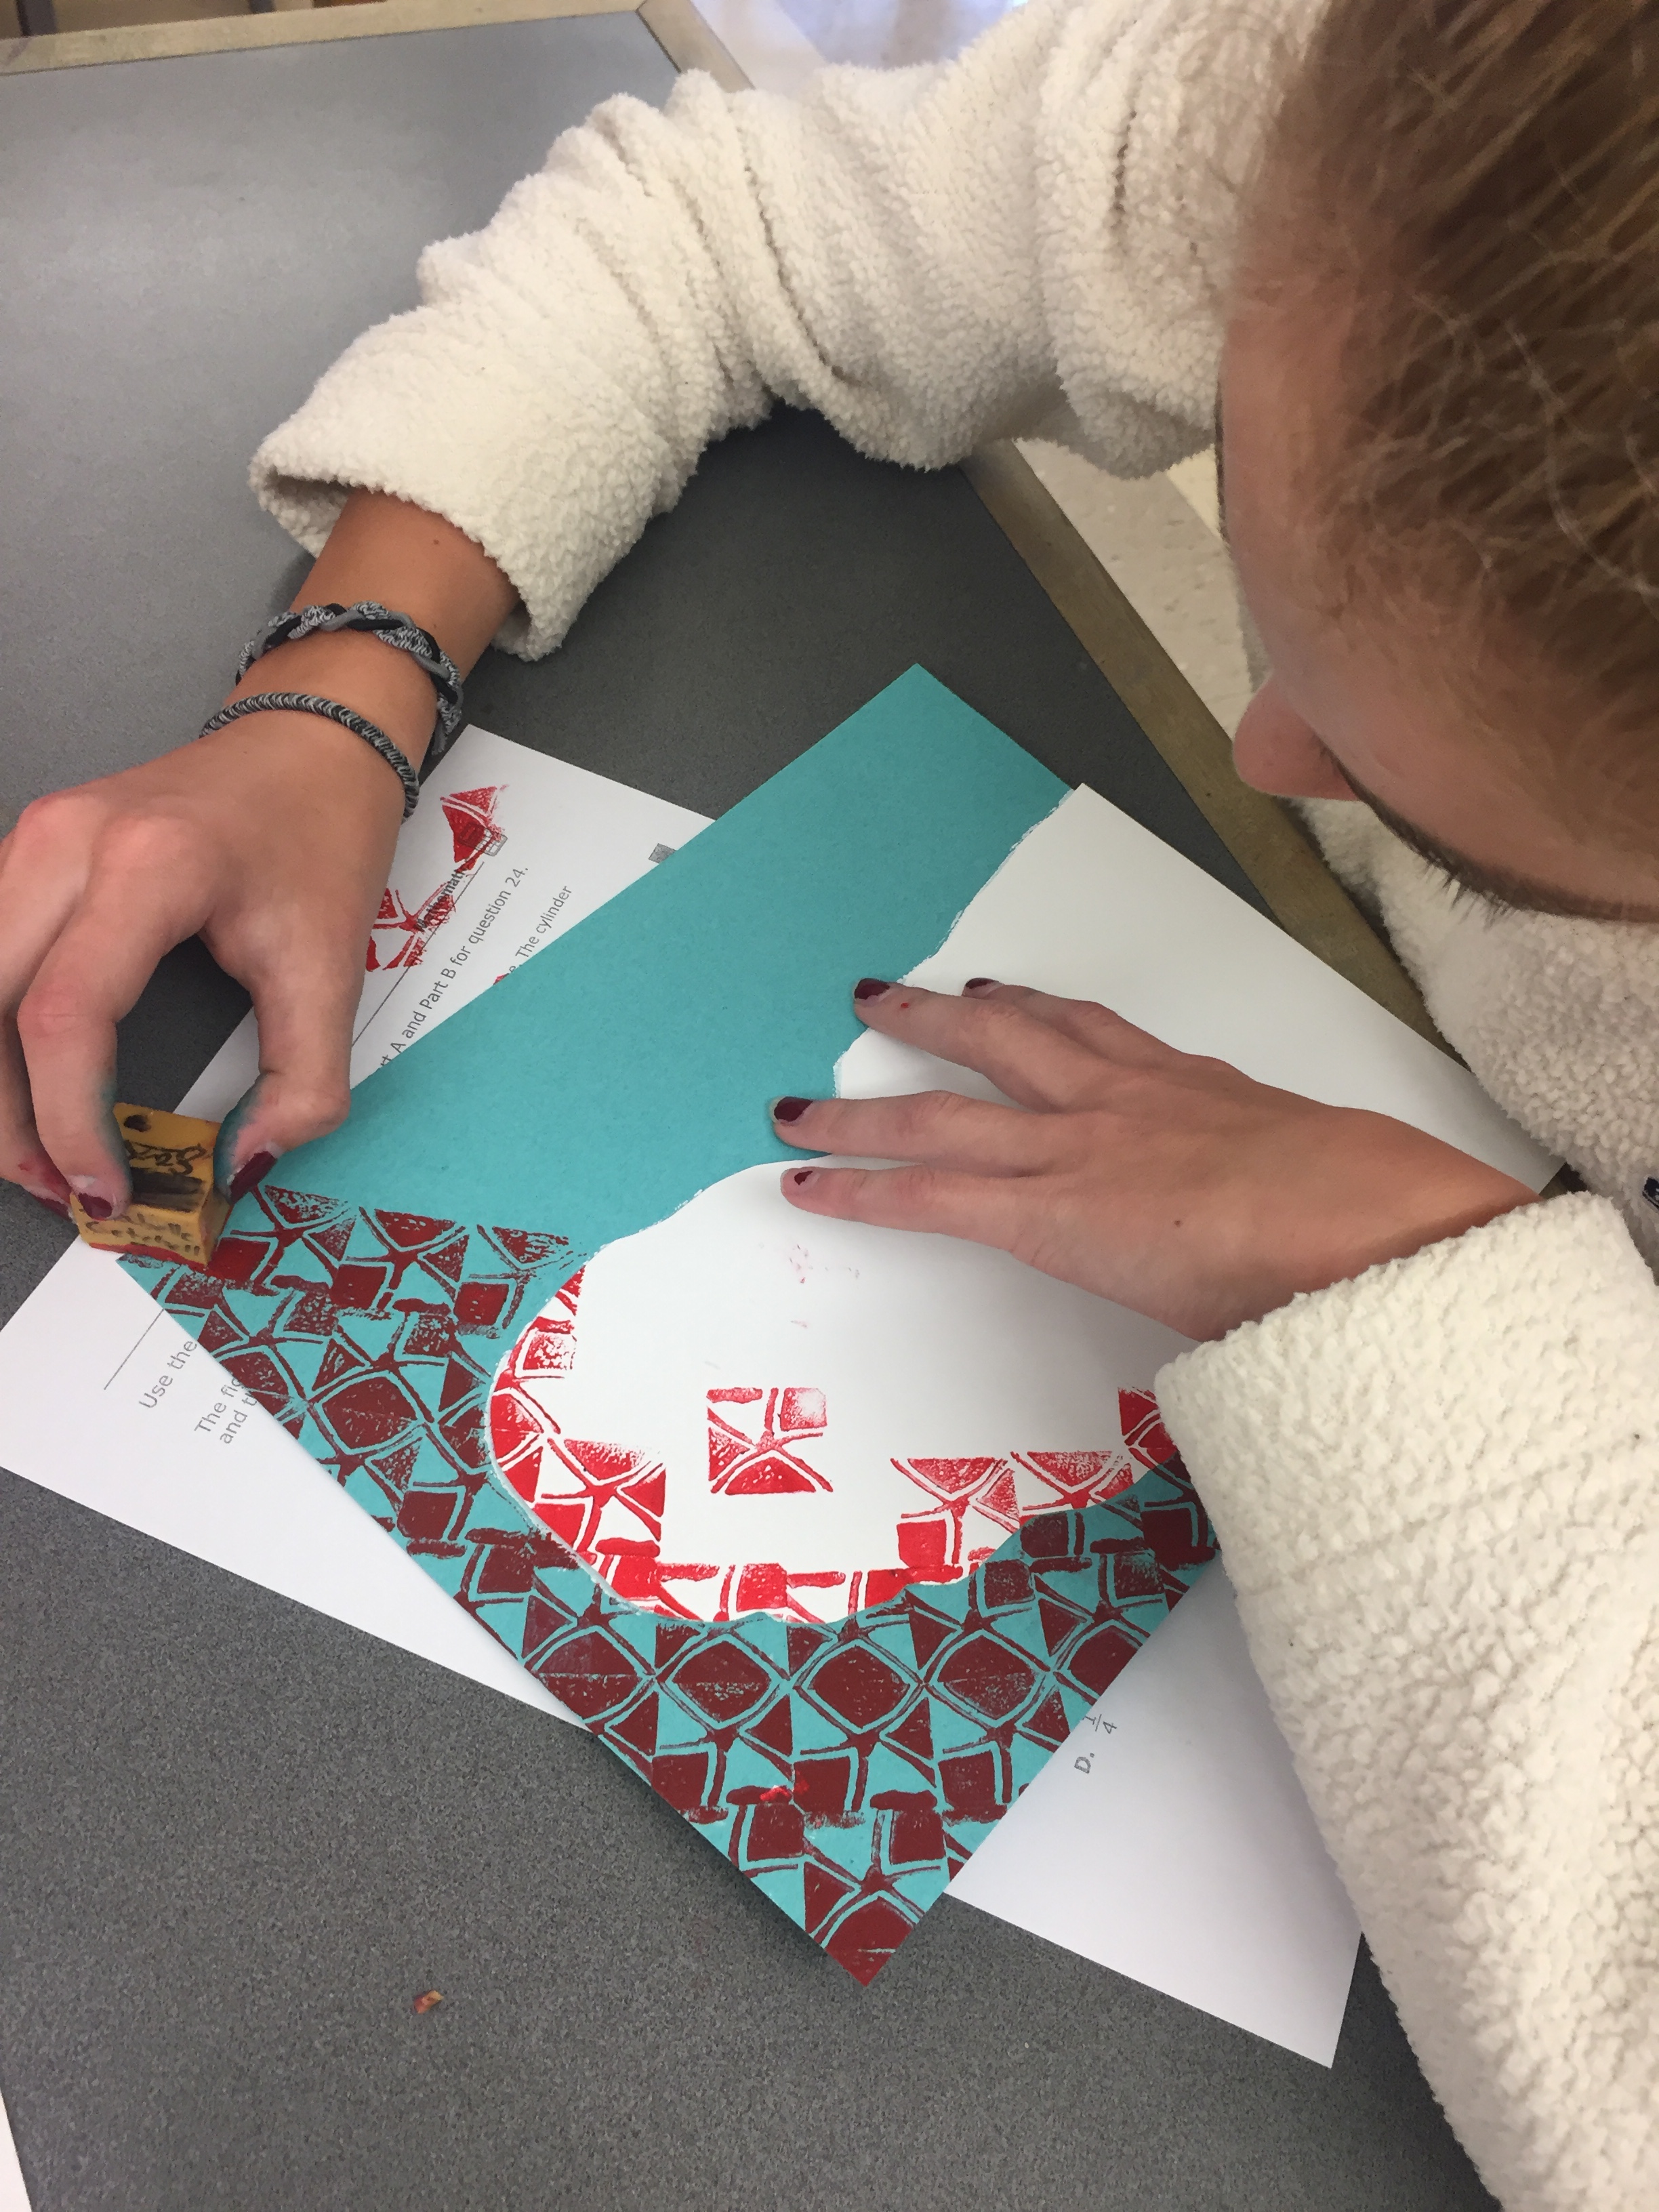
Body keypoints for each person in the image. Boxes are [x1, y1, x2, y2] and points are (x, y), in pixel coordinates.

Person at [1, 0, 1653, 2200]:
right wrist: (345, 682)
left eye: (1438, 796)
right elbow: (732, 216)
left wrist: (1434, 1294)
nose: (1267, 749)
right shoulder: (1391, 134)